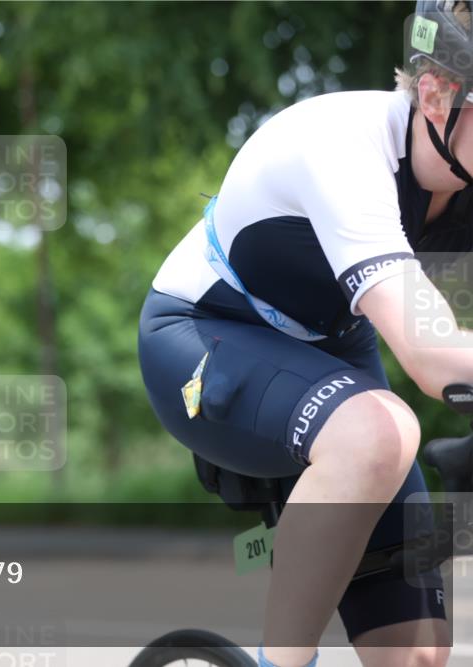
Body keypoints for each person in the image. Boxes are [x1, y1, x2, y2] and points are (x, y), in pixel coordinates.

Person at [137, 3, 471, 667]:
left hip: (331, 353)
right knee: (379, 432)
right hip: (205, 336)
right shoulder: (344, 148)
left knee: (419, 655)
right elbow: (432, 349)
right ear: (436, 95)